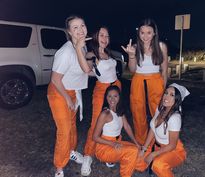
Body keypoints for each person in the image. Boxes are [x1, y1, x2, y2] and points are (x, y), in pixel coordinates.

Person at [47, 15, 92, 177]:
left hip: (73, 90)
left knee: (72, 126)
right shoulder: (65, 51)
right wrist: (67, 99)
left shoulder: (81, 46)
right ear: (69, 31)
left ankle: (70, 151)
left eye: (82, 25)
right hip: (59, 92)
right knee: (64, 131)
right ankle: (59, 167)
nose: (80, 30)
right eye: (75, 27)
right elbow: (55, 79)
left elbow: (84, 67)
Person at [81, 26, 121, 176]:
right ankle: (87, 155)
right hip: (102, 90)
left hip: (116, 87)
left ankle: (107, 152)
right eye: (101, 35)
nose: (105, 39)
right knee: (96, 123)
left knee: (113, 120)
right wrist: (81, 52)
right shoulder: (91, 54)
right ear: (95, 37)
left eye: (107, 36)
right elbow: (87, 70)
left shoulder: (108, 53)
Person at [122, 18, 168, 145]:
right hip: (138, 80)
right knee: (138, 114)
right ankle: (142, 143)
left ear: (154, 33)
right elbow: (132, 70)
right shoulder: (135, 47)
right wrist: (131, 55)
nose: (145, 36)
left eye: (149, 32)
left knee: (159, 112)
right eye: (142, 32)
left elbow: (164, 71)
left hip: (156, 81)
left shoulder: (161, 46)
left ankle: (160, 141)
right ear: (139, 33)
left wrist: (164, 89)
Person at [93, 85, 146, 177]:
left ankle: (138, 166)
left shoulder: (118, 110)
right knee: (132, 151)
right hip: (104, 148)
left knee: (138, 149)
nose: (112, 99)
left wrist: (136, 142)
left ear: (119, 97)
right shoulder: (105, 114)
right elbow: (95, 137)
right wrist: (113, 144)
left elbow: (127, 127)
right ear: (106, 98)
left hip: (117, 142)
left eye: (115, 96)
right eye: (109, 96)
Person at [139, 83, 190, 177]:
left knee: (158, 165)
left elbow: (172, 145)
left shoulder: (175, 118)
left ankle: (164, 163)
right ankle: (159, 162)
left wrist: (153, 154)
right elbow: (152, 129)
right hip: (156, 146)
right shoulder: (161, 108)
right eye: (166, 93)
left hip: (172, 150)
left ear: (177, 100)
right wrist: (144, 148)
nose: (166, 96)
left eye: (172, 95)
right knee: (137, 158)